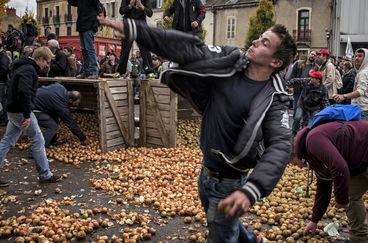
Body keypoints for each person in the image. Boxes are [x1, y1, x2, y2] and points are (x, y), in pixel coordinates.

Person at [98, 15, 296, 242]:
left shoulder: (274, 98)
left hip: (230, 182)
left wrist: (253, 188)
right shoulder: (231, 59)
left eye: (265, 43)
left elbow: (280, 145)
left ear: (275, 62)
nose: (255, 42)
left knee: (221, 233)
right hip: (206, 172)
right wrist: (136, 30)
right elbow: (189, 47)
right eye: (260, 38)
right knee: (223, 224)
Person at [0, 47, 62, 187]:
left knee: (7, 140)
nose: (47, 65)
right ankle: (45, 174)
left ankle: (45, 174)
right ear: (40, 59)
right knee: (38, 139)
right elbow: (23, 92)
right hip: (20, 111)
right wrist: (27, 114)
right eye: (47, 62)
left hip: (14, 109)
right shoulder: (29, 70)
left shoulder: (23, 66)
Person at [34, 83, 89, 147]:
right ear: (70, 100)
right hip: (32, 109)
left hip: (36, 101)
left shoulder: (60, 87)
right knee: (53, 126)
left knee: (55, 118)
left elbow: (51, 102)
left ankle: (52, 141)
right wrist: (83, 138)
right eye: (76, 103)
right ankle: (37, 150)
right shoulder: (62, 106)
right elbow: (70, 123)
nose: (76, 105)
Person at [334, 48, 368, 119]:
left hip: (363, 111)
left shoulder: (364, 73)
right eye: (355, 56)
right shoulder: (361, 72)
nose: (356, 58)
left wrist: (343, 96)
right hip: (359, 109)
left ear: (366, 58)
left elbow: (360, 91)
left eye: (360, 56)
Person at [286, 71, 329, 138]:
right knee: (297, 117)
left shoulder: (323, 89)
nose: (310, 78)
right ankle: (294, 132)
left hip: (314, 107)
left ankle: (307, 135)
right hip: (302, 104)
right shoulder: (307, 81)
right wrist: (287, 84)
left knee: (312, 123)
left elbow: (325, 102)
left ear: (318, 80)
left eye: (313, 78)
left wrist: (327, 112)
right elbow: (295, 80)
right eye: (311, 77)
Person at [118, 0, 153, 75]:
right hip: (128, 25)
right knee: (125, 49)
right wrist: (130, 6)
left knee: (144, 49)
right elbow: (121, 11)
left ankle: (149, 71)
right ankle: (120, 71)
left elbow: (150, 13)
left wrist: (141, 6)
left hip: (141, 25)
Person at [67, 0, 101, 79]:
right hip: (82, 25)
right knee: (84, 49)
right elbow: (72, 2)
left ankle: (93, 71)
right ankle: (86, 71)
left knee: (89, 49)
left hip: (89, 24)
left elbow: (97, 4)